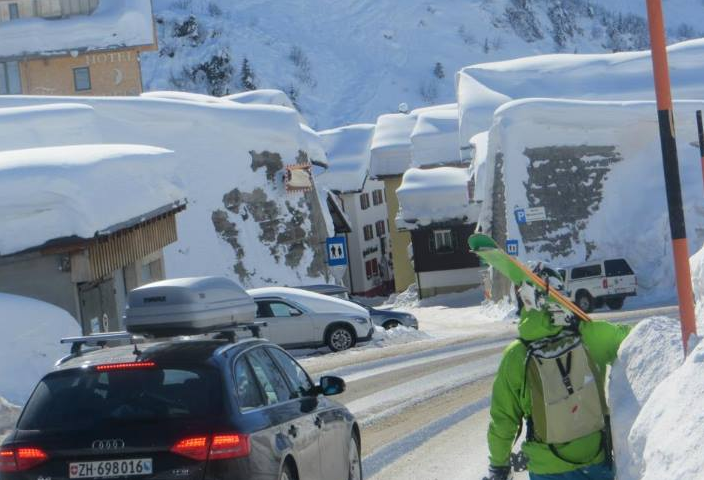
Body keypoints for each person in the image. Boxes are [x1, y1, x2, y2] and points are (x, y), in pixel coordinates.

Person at [482, 265, 631, 480]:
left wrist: (499, 466)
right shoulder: (588, 335)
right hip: (595, 460)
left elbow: (503, 420)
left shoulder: (516, 356)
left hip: (546, 467)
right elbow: (635, 338)